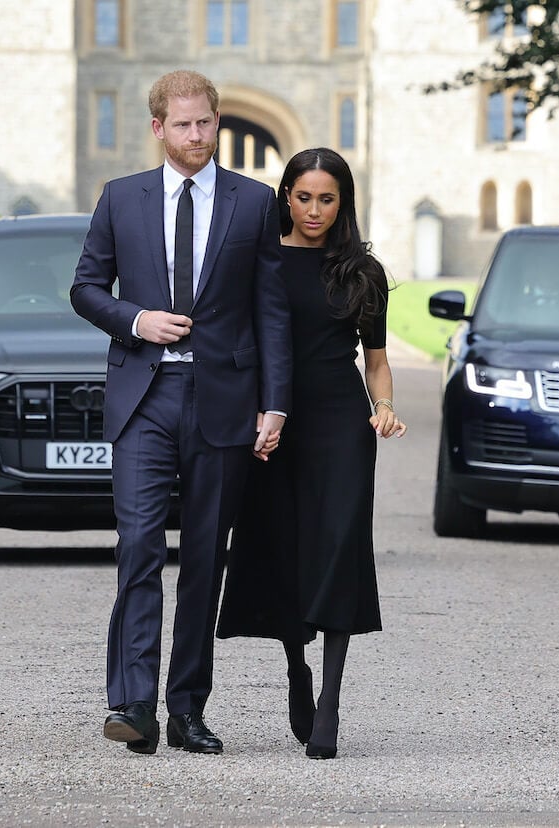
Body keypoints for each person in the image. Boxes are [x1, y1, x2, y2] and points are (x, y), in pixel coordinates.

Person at [70, 70, 292, 756]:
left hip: (222, 402)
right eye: (184, 124)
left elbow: (271, 310)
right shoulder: (120, 198)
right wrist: (135, 319)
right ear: (157, 128)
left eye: (206, 123)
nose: (197, 136)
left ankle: (186, 708)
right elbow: (84, 289)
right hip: (144, 398)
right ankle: (132, 703)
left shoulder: (253, 202)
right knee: (138, 546)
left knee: (203, 560)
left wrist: (275, 404)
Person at [217, 147, 407, 760]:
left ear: (343, 202)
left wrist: (383, 406)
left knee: (338, 548)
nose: (315, 210)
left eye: (328, 199)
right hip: (274, 424)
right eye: (304, 197)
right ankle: (296, 666)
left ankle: (329, 699)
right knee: (285, 548)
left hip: (340, 426)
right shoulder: (260, 260)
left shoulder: (362, 273)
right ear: (286, 198)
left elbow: (375, 363)